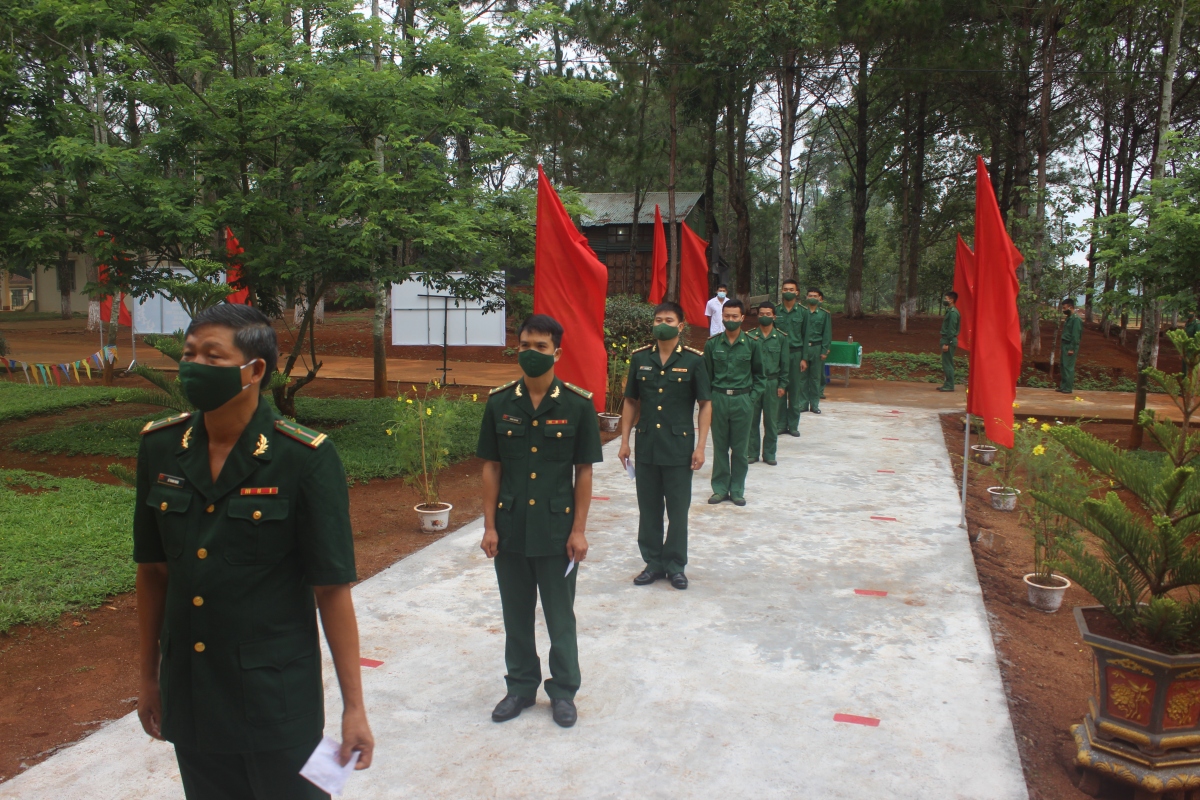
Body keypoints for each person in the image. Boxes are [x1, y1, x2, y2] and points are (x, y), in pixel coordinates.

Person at [134, 305, 373, 800]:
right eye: (189, 353)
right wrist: (148, 676)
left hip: (275, 700)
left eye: (212, 356)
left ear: (255, 370)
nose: (193, 365)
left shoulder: (302, 457)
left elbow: (331, 587)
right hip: (193, 690)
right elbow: (154, 572)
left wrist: (354, 707)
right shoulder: (160, 447)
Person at [476, 314, 603, 728]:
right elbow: (491, 467)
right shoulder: (499, 403)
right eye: (525, 345)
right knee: (515, 614)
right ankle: (520, 688)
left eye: (540, 347)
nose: (531, 353)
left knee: (559, 617)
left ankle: (563, 691)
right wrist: (489, 525)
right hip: (510, 529)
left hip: (556, 531)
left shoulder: (577, 405)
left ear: (557, 353)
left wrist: (580, 530)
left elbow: (583, 471)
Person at [618, 302, 712, 591]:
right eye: (658, 319)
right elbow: (631, 401)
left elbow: (705, 403)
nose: (662, 324)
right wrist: (624, 440)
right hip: (646, 445)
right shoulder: (640, 359)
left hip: (678, 448)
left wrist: (701, 446)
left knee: (678, 510)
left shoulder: (695, 361)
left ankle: (675, 565)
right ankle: (653, 563)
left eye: (669, 320)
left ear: (680, 326)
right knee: (649, 509)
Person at [704, 299, 765, 506]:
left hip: (742, 400)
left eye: (734, 316)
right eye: (727, 316)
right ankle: (720, 489)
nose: (730, 320)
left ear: (742, 318)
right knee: (720, 448)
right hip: (719, 399)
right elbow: (707, 377)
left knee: (740, 449)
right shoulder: (712, 344)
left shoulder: (752, 344)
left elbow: (760, 376)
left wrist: (751, 398)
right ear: (722, 317)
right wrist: (710, 401)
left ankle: (737, 489)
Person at [746, 301, 788, 465]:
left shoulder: (781, 338)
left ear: (774, 316)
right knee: (752, 420)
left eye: (768, 314)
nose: (764, 316)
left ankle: (769, 454)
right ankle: (752, 453)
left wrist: (782, 385)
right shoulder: (750, 337)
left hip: (772, 383)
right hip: (754, 384)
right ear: (758, 316)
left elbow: (785, 364)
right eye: (761, 314)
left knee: (771, 422)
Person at [774, 278, 807, 436]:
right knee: (780, 389)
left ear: (797, 292)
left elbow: (806, 336)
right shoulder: (775, 311)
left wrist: (804, 358)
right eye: (785, 289)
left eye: (791, 289)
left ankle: (793, 425)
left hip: (796, 354)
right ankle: (780, 424)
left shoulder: (803, 312)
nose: (788, 292)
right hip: (779, 355)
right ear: (781, 291)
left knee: (794, 390)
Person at [800, 288, 832, 413]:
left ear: (820, 299)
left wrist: (824, 350)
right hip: (803, 347)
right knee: (802, 377)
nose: (812, 297)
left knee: (815, 377)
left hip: (817, 347)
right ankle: (802, 404)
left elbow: (827, 333)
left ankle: (814, 404)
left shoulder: (824, 314)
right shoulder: (802, 312)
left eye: (815, 296)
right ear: (806, 298)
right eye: (810, 295)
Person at [938, 291, 961, 392]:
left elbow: (951, 330)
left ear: (951, 300)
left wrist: (947, 343)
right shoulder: (950, 311)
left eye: (946, 298)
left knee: (948, 363)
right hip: (947, 339)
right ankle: (947, 384)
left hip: (949, 340)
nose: (945, 300)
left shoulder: (953, 313)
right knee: (946, 362)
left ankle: (950, 385)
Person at [1059, 298, 1082, 394]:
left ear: (1070, 307)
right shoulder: (1068, 318)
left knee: (1068, 367)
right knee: (1063, 366)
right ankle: (1063, 386)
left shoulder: (1076, 319)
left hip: (1070, 345)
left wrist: (1072, 348)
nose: (1063, 310)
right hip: (1064, 344)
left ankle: (1068, 387)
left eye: (1064, 308)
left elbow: (1075, 335)